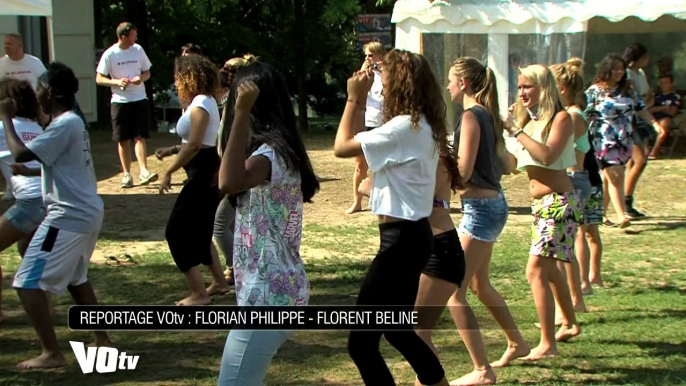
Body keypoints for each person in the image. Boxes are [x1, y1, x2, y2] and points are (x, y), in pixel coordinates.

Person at [334, 49, 450, 386]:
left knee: (361, 344)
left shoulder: (403, 128)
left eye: (384, 80)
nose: (380, 88)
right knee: (398, 330)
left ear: (399, 84)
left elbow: (341, 147)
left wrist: (353, 99)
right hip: (411, 238)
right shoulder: (418, 125)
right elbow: (358, 140)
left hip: (401, 242)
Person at [415, 57, 529, 386]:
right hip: (491, 205)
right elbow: (505, 164)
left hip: (481, 210)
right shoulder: (486, 113)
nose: (447, 86)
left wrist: (434, 166)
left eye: (450, 80)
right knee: (480, 285)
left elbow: (462, 173)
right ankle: (517, 343)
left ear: (463, 83)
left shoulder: (470, 116)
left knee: (456, 292)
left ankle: (482, 370)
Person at [2, 62, 112, 369]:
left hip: (67, 217)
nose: (37, 94)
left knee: (27, 282)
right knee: (77, 279)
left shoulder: (64, 123)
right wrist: (34, 169)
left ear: (49, 91)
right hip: (85, 212)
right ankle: (103, 339)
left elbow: (20, 151)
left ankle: (51, 353)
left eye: (40, 88)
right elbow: (64, 164)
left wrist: (6, 119)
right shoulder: (72, 122)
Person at [216, 61, 319, 385]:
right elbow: (226, 158)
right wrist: (235, 117)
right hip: (269, 290)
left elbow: (228, 181)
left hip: (270, 294)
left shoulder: (270, 156)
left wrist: (241, 113)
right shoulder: (273, 151)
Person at [506, 64, 582, 361]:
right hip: (542, 205)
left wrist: (516, 130)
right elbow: (515, 164)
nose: (522, 92)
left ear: (544, 87)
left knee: (535, 270)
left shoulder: (562, 118)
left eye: (528, 86)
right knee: (549, 270)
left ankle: (547, 343)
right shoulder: (531, 122)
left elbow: (548, 155)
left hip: (559, 203)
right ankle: (570, 323)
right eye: (520, 87)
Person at [158, 55, 228, 305]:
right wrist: (173, 149)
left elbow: (197, 143)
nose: (176, 83)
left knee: (175, 232)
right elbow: (196, 141)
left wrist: (169, 171)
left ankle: (199, 294)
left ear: (188, 77)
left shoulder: (201, 104)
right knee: (200, 231)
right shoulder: (204, 102)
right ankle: (219, 282)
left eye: (178, 78)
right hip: (204, 171)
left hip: (203, 174)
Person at [585, 53, 662, 228]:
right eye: (615, 69)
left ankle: (602, 215)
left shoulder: (628, 90)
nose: (619, 72)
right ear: (607, 69)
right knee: (616, 175)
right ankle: (621, 216)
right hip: (604, 140)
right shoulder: (594, 92)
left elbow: (641, 108)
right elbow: (582, 112)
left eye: (621, 69)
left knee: (608, 176)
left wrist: (655, 124)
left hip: (624, 139)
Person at [0, 78, 45, 325]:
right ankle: (47, 308)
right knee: (28, 251)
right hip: (50, 200)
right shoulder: (39, 129)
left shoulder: (3, 127)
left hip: (30, 202)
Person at [96, 22, 158, 189]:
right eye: (133, 35)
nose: (136, 38)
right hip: (119, 101)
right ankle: (126, 174)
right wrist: (116, 81)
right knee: (123, 139)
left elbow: (147, 72)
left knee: (140, 136)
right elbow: (99, 78)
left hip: (139, 98)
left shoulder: (138, 50)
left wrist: (141, 78)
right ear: (123, 36)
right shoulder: (110, 54)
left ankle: (144, 171)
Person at [550, 58, 590, 314]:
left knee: (561, 249)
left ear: (562, 87)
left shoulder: (573, 116)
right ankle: (575, 300)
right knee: (564, 248)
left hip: (573, 181)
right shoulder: (568, 114)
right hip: (572, 181)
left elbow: (555, 150)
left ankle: (574, 301)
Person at [0, 32, 47, 201]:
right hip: (9, 111)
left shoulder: (34, 63)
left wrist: (42, 110)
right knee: (6, 148)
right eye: (5, 44)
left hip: (30, 111)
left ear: (20, 46)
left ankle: (37, 181)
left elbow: (44, 83)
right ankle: (10, 185)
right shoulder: (2, 64)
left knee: (28, 144)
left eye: (10, 44)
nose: (6, 47)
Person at [345, 41, 385, 214]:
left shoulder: (387, 74)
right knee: (360, 164)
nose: (368, 59)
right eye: (366, 55)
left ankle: (381, 200)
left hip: (382, 123)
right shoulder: (363, 75)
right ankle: (357, 202)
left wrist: (382, 71)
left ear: (380, 56)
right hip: (365, 121)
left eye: (371, 55)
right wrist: (362, 73)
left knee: (382, 165)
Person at [624, 43, 653, 219]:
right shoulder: (627, 74)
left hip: (642, 118)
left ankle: (627, 198)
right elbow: (636, 99)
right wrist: (645, 102)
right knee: (640, 160)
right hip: (631, 120)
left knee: (634, 162)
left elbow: (648, 96)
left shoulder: (641, 74)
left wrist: (645, 102)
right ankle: (626, 200)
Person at [648, 73, 681, 159]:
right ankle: (645, 150)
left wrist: (657, 108)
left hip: (665, 118)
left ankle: (654, 151)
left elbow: (672, 112)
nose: (663, 85)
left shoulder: (675, 97)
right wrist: (664, 107)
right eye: (661, 83)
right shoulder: (655, 96)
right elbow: (648, 109)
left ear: (671, 84)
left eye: (665, 83)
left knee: (664, 123)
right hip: (652, 118)